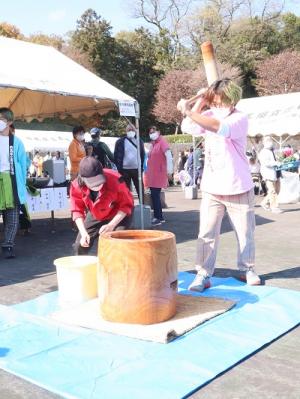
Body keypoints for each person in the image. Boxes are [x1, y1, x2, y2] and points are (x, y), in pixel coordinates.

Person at [177, 78, 261, 291]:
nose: (216, 105)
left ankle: (247, 268)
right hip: (212, 187)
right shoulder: (208, 113)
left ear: (231, 100)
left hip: (238, 185)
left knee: (244, 232)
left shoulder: (239, 118)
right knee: (206, 232)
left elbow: (218, 128)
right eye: (214, 101)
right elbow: (188, 126)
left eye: (219, 101)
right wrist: (199, 102)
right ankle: (203, 274)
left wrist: (188, 110)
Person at [70, 156, 134, 255]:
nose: (98, 186)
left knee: (116, 243)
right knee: (80, 245)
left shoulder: (115, 179)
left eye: (100, 181)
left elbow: (127, 205)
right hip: (96, 213)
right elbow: (77, 210)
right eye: (93, 183)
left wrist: (111, 225)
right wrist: (83, 233)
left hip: (119, 213)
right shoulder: (76, 186)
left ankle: (117, 269)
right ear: (83, 179)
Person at [0, 107, 27, 258]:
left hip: (12, 182)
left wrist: (21, 185)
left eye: (1, 120)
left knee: (12, 217)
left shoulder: (16, 142)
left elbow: (23, 165)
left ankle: (8, 245)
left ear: (9, 122)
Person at [145, 126, 173, 226]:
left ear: (158, 132)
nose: (151, 133)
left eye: (153, 131)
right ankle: (158, 216)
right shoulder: (154, 144)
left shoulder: (162, 142)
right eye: (150, 132)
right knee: (154, 195)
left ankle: (159, 217)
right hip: (153, 175)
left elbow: (169, 157)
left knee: (155, 196)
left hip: (158, 174)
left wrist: (170, 171)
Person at [114, 124, 145, 202]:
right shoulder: (120, 141)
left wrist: (141, 167)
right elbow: (116, 155)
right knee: (125, 190)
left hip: (136, 169)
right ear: (126, 131)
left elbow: (142, 155)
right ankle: (127, 206)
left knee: (140, 189)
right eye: (129, 130)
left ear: (135, 131)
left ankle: (142, 205)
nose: (131, 131)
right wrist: (119, 167)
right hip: (124, 170)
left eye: (132, 130)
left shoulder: (139, 141)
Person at [258, 136, 283, 213]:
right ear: (264, 142)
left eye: (270, 140)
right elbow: (266, 163)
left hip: (276, 173)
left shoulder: (272, 151)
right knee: (272, 191)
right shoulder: (263, 152)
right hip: (268, 174)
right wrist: (276, 163)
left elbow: (275, 160)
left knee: (277, 190)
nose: (270, 142)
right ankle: (274, 207)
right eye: (268, 140)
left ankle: (264, 202)